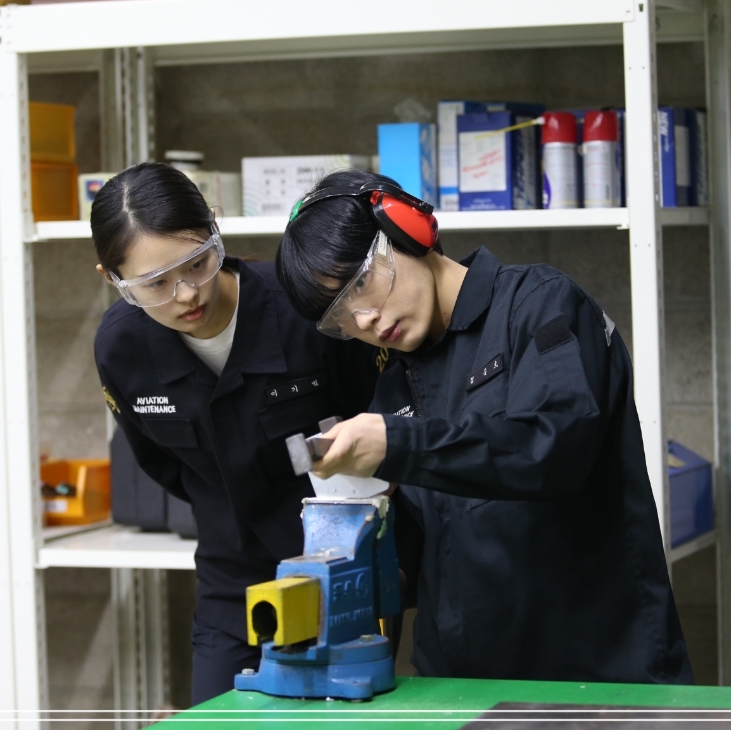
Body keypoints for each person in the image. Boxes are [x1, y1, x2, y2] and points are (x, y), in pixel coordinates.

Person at [275, 169, 693, 684]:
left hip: (597, 674)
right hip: (460, 683)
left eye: (361, 282)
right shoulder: (394, 389)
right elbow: (426, 551)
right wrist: (352, 553)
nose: (363, 320)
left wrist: (399, 445)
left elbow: (553, 449)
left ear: (407, 228)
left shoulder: (542, 305)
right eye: (340, 315)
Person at [90, 163, 382, 705]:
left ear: (215, 227)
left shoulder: (303, 308)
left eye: (196, 263)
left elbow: (378, 414)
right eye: (155, 284)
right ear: (113, 279)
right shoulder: (122, 349)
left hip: (341, 564)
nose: (185, 294)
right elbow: (163, 464)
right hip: (233, 579)